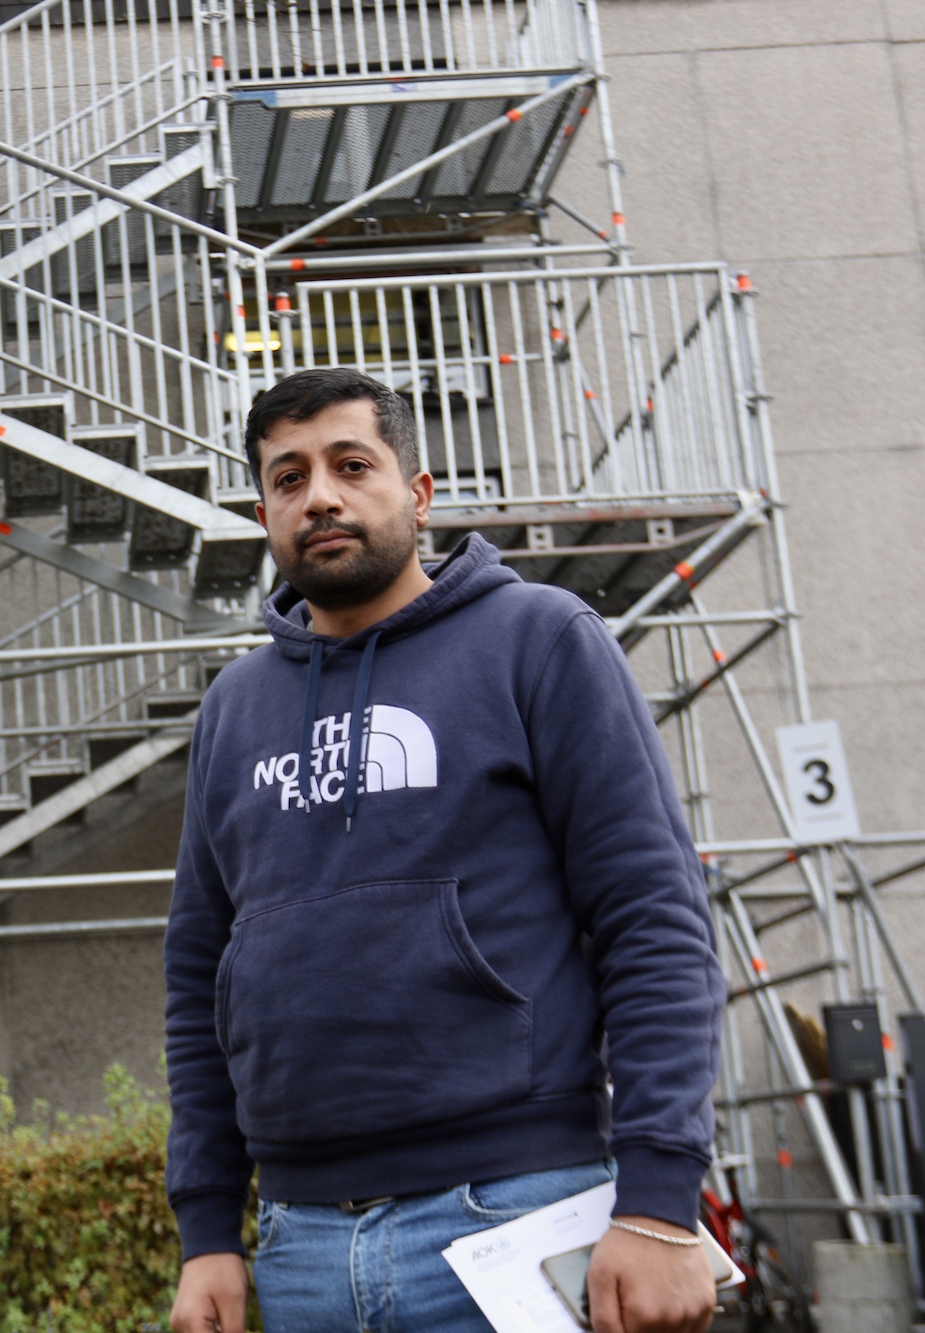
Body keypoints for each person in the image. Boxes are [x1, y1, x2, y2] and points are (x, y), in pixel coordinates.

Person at [165, 367, 726, 1333]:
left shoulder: (538, 640)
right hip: (300, 1246)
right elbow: (197, 978)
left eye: (352, 464)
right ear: (264, 512)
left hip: (518, 1209)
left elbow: (653, 922)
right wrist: (209, 1232)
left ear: (418, 495)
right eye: (289, 478)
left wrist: (659, 1204)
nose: (322, 496)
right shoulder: (234, 709)